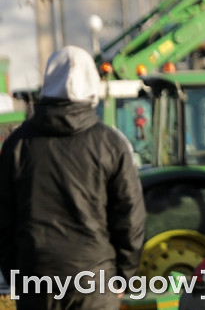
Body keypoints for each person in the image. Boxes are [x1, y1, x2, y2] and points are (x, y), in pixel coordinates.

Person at [0, 46, 146, 310]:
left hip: (36, 277)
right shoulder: (110, 144)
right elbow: (130, 216)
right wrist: (123, 276)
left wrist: (17, 273)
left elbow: (4, 217)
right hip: (94, 280)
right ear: (92, 86)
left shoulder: (18, 144)